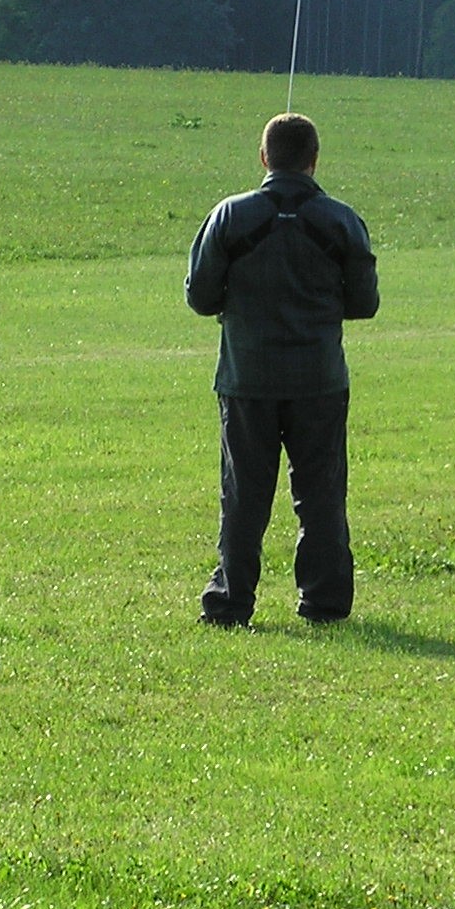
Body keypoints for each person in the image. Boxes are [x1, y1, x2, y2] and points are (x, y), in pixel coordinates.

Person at [184, 112, 379, 626]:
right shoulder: (341, 221)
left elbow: (201, 298)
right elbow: (365, 303)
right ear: (314, 160)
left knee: (243, 496)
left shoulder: (229, 216)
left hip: (247, 379)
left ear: (263, 157)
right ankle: (324, 601)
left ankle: (231, 602)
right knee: (321, 496)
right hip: (319, 380)